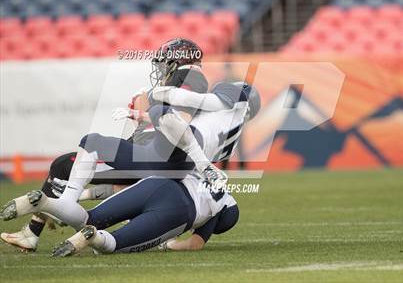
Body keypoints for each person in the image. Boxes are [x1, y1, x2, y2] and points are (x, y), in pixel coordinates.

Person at [1, 81, 261, 248]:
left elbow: (198, 104)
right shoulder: (230, 137)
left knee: (80, 153)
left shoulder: (230, 101)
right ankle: (57, 215)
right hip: (172, 179)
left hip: (171, 167)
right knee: (106, 228)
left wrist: (161, 93)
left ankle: (56, 210)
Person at [52, 173, 239, 256]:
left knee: (89, 218)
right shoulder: (218, 207)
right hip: (179, 209)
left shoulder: (208, 173)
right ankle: (94, 237)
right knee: (114, 244)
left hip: (157, 183)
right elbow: (195, 244)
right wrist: (169, 244)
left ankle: (44, 204)